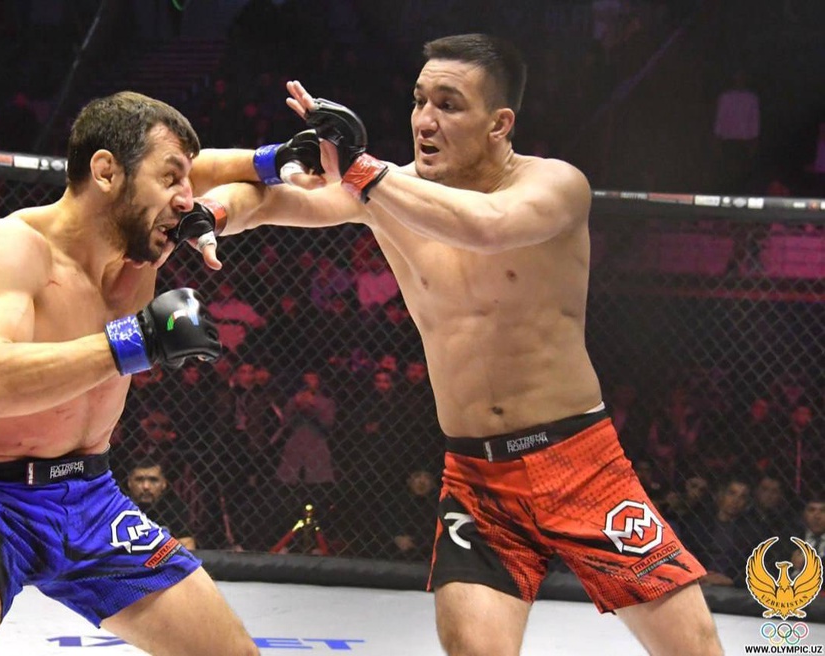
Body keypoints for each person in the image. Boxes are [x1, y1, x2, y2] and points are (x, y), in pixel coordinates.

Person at [202, 33, 722, 655]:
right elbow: (270, 200)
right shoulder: (386, 190)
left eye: (448, 105)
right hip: (476, 477)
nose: (425, 120)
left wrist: (363, 171)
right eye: (419, 100)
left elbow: (487, 226)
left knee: (694, 649)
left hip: (578, 460)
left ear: (499, 124)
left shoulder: (556, 185)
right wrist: (214, 212)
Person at [0, 90, 300, 656]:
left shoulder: (144, 246)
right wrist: (135, 341)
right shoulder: (11, 246)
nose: (185, 198)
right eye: (170, 179)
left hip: (92, 501)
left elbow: (222, 179)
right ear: (107, 171)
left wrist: (277, 160)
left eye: (186, 182)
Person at [126, 459, 197, 550]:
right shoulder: (118, 506)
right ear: (129, 483)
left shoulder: (174, 508)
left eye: (153, 480)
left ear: (164, 483)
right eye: (139, 480)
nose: (146, 486)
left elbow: (188, 543)